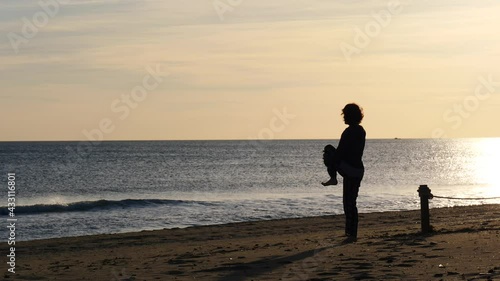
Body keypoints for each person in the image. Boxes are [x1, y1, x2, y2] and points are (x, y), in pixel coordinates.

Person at [323, 103, 366, 243]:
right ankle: (350, 232)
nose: (343, 118)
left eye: (345, 115)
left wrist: (331, 164)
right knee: (350, 201)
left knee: (329, 150)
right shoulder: (361, 130)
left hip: (350, 169)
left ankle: (333, 177)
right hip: (358, 170)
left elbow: (340, 152)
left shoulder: (349, 132)